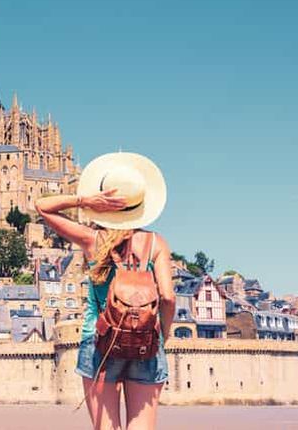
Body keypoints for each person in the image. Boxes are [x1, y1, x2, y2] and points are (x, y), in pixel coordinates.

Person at [35, 152, 175, 430]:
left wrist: (85, 201)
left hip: (100, 339)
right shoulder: (156, 243)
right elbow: (168, 298)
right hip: (147, 341)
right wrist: (163, 336)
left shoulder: (92, 240)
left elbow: (42, 207)